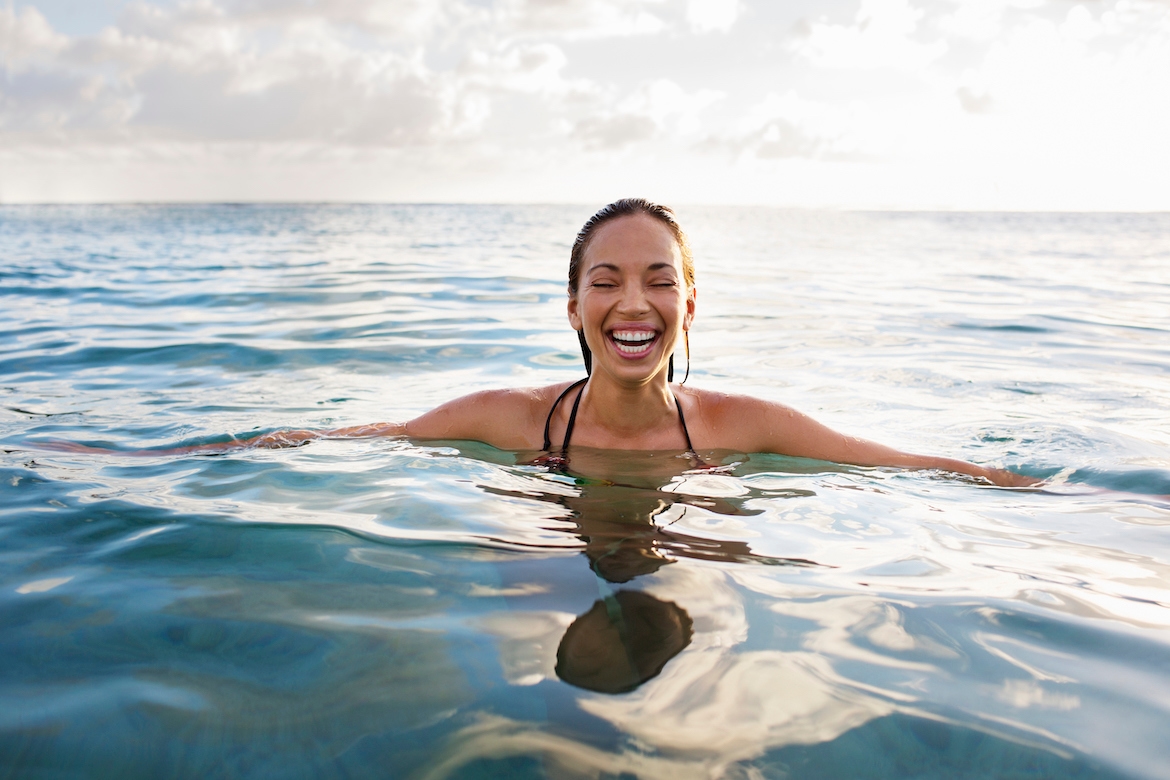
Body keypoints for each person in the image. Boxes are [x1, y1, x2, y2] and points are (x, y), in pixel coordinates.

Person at [61, 198, 1037, 487]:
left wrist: (1054, 497)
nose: (632, 302)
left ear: (690, 306)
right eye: (605, 282)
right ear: (572, 309)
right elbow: (360, 439)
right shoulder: (511, 417)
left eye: (659, 279)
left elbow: (906, 463)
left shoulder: (744, 423)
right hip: (546, 513)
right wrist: (152, 459)